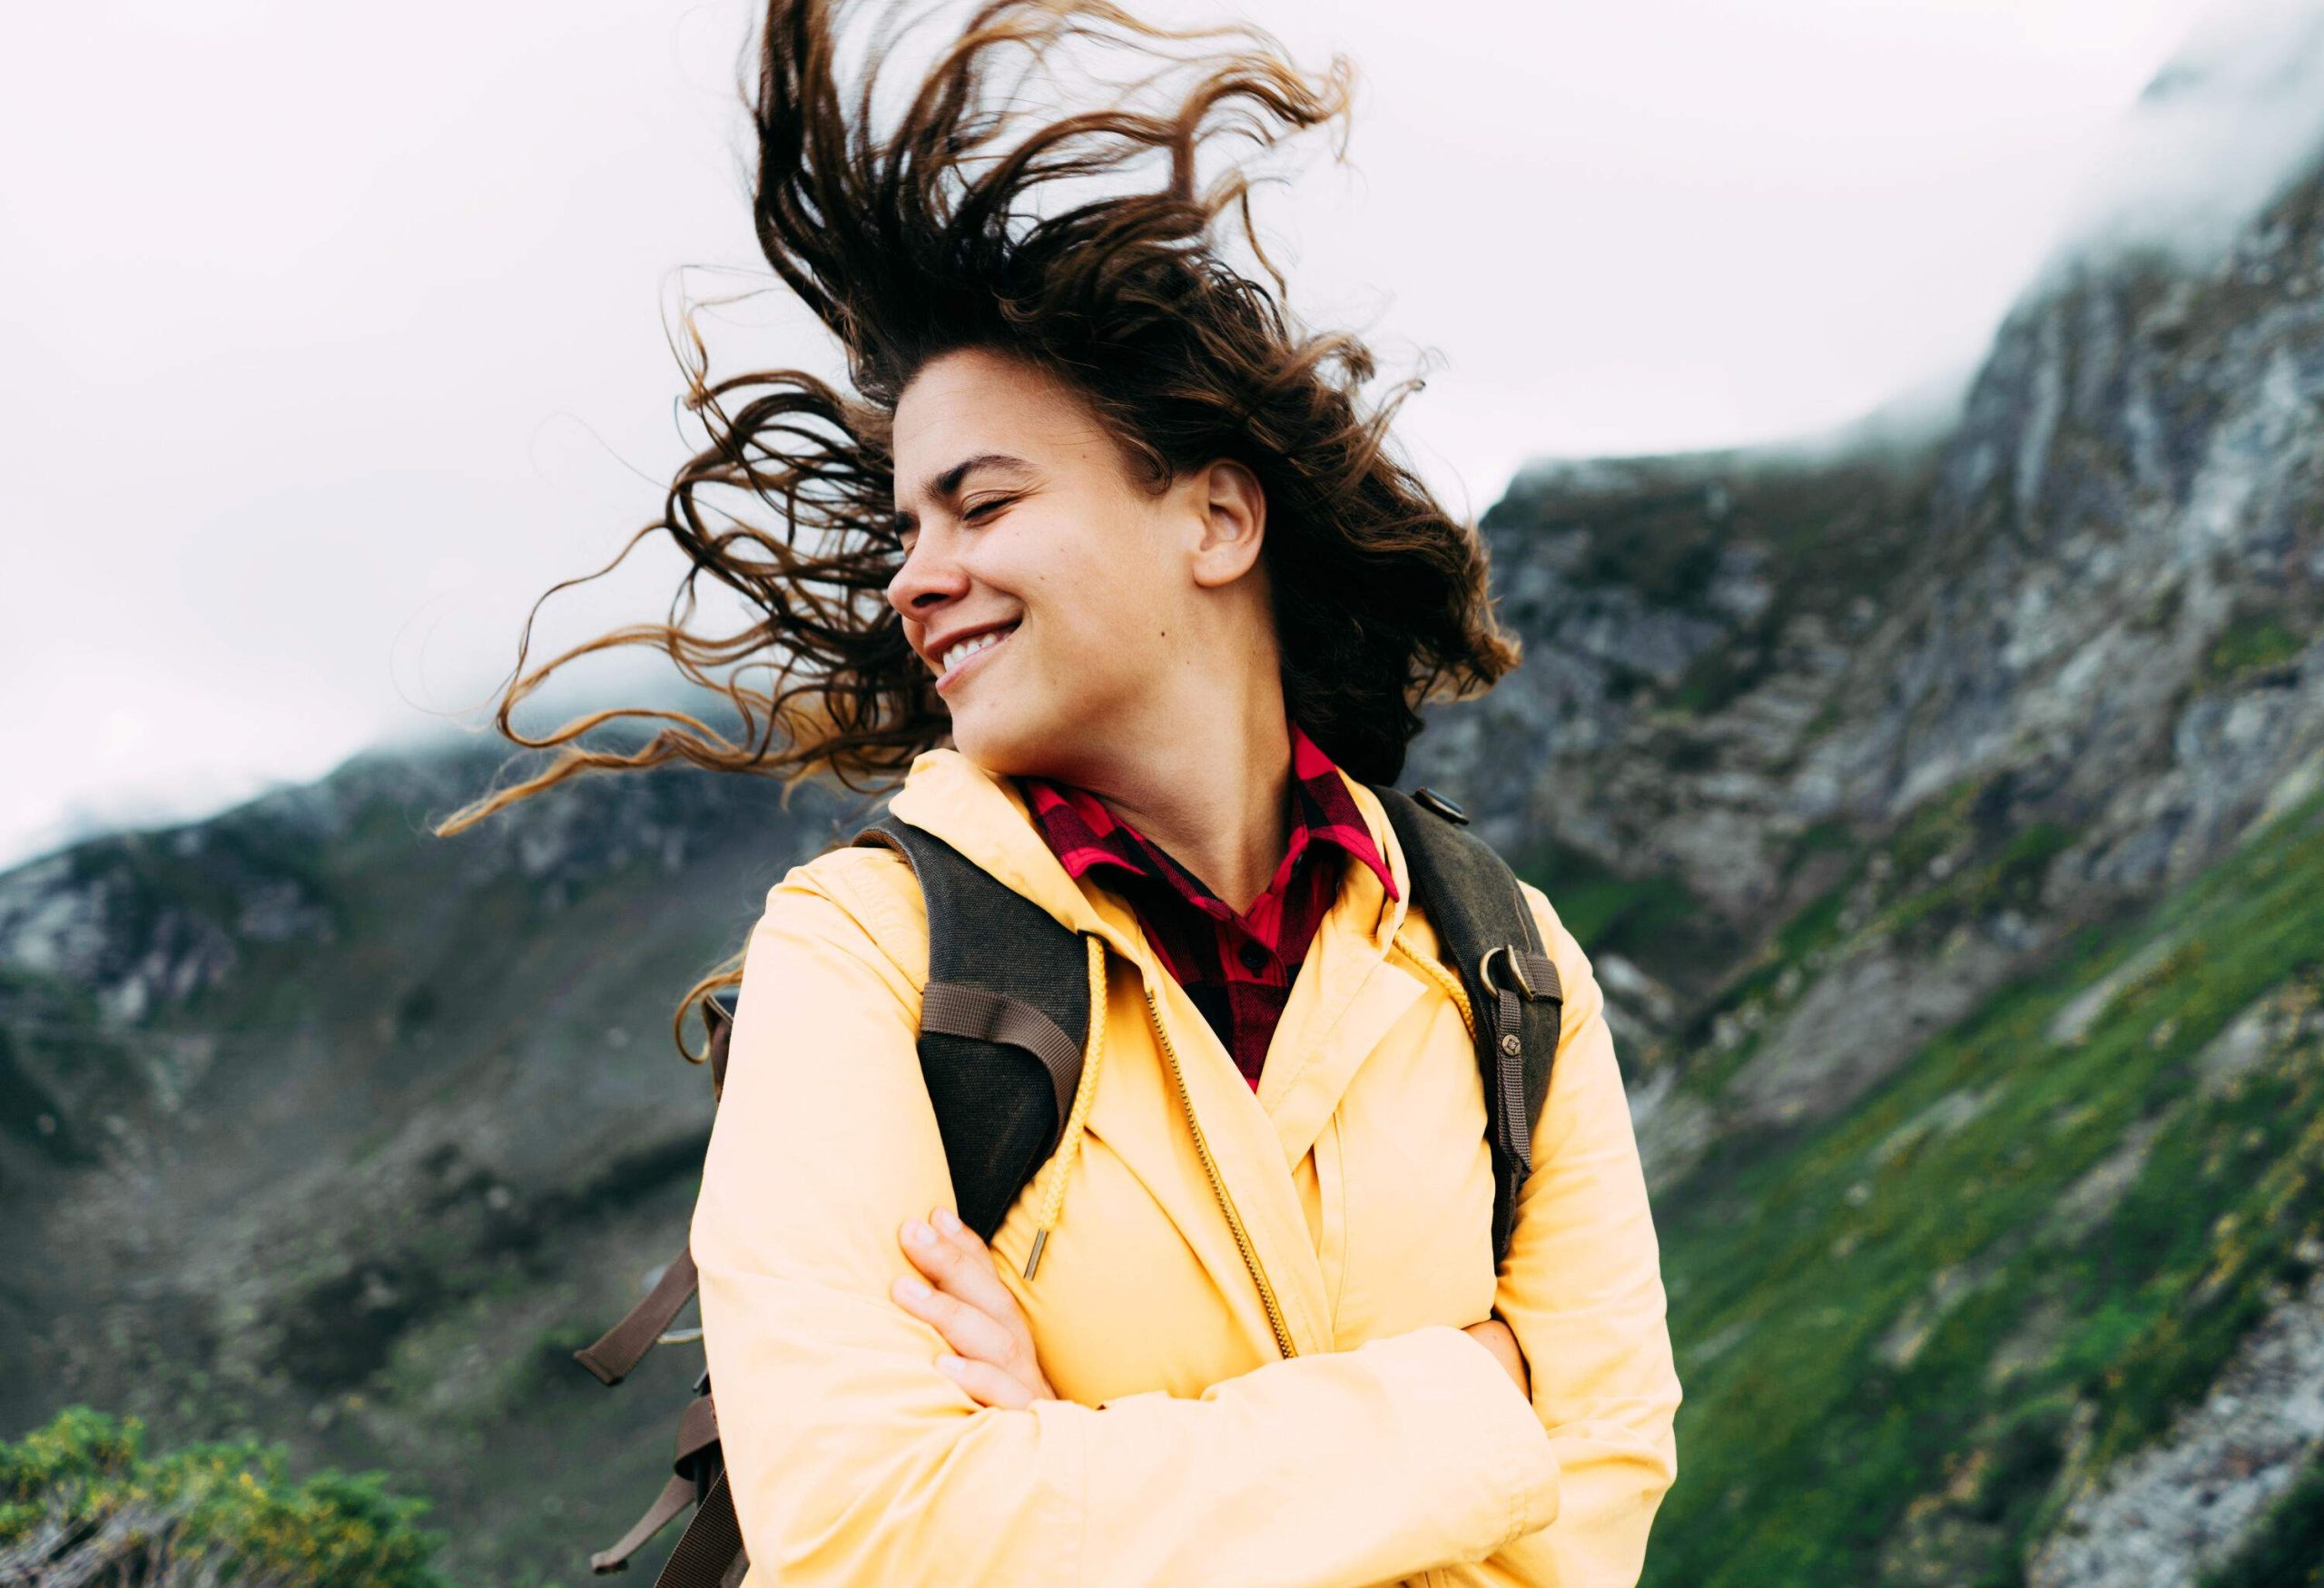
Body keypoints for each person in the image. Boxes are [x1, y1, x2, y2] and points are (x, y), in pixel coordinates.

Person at [447, 0, 1680, 1581]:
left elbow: (1599, 1517)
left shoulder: (1503, 962)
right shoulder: (862, 957)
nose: (919, 578)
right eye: (907, 528)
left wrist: (1057, 1459)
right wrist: (1464, 1416)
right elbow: (868, 1531)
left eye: (981, 502)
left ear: (1217, 518)